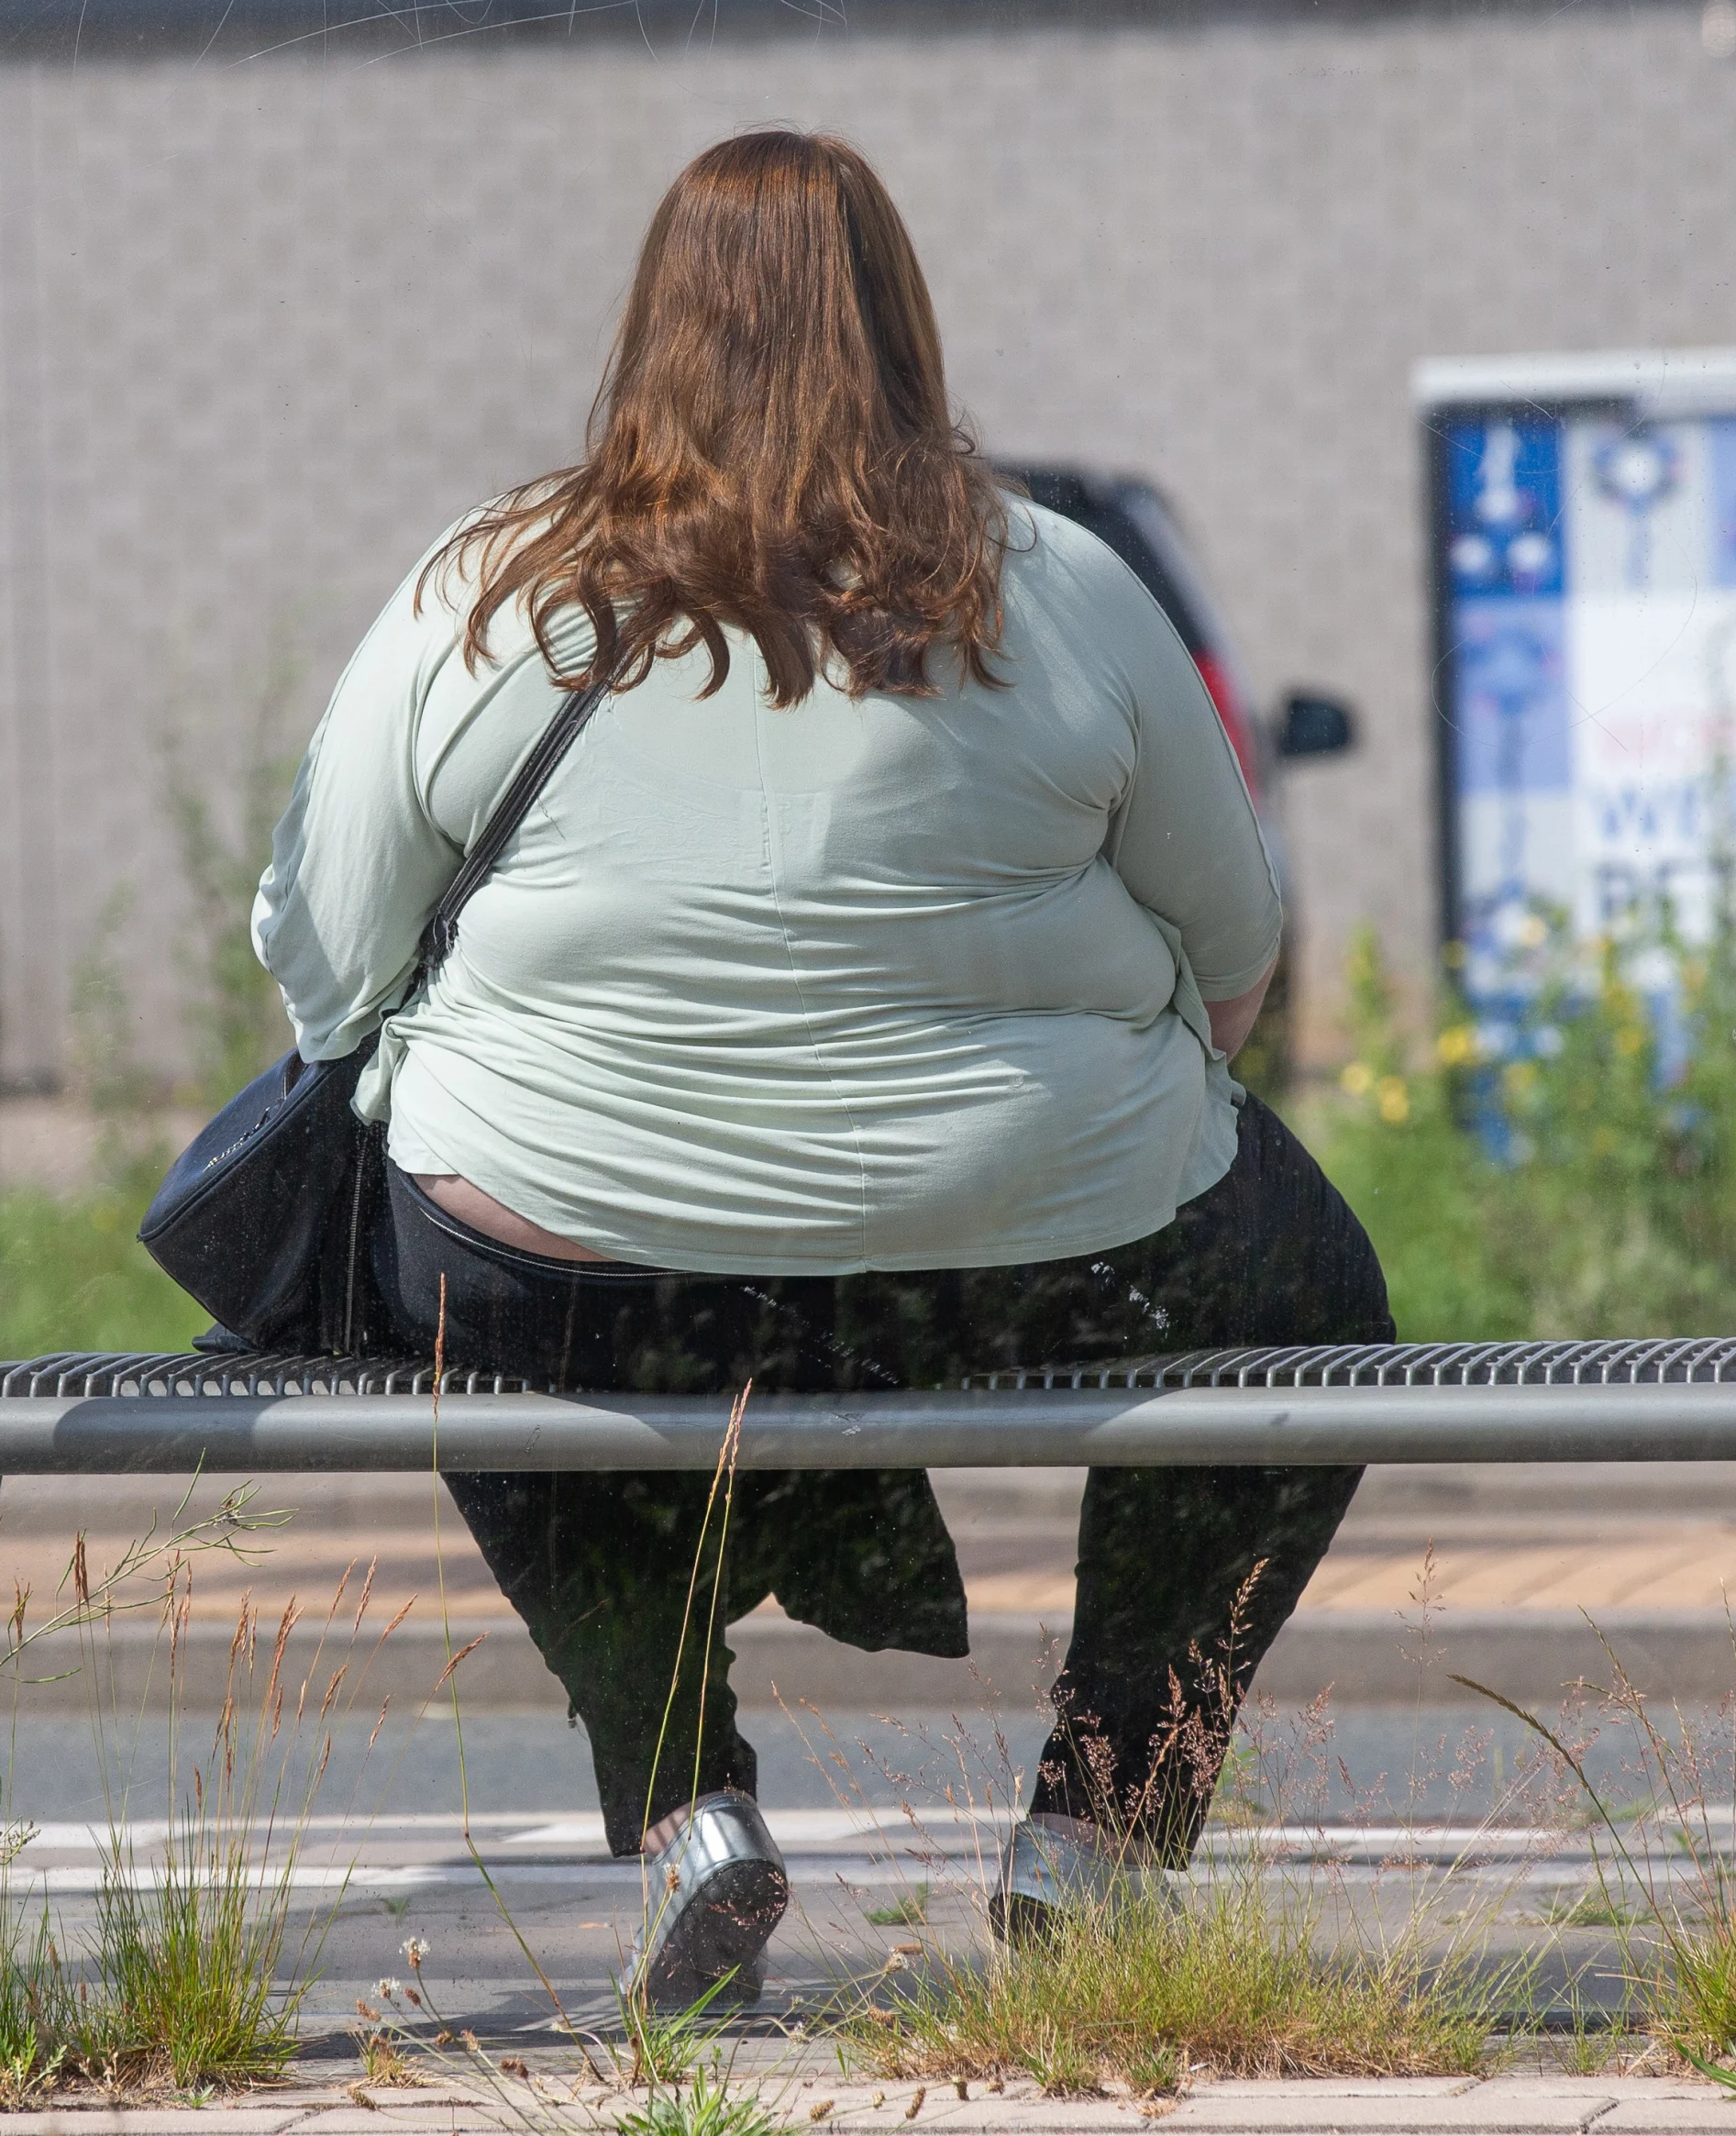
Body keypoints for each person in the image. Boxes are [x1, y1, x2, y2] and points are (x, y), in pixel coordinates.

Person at [252, 128, 1390, 2015]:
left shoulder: (488, 592)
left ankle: (688, 1810)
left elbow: (323, 948)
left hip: (576, 1255)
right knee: (1314, 1305)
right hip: (1025, 1244)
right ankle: (1099, 1831)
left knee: (448, 1286)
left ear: (650, 330)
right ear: (901, 324)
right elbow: (1236, 942)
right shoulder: (1063, 587)